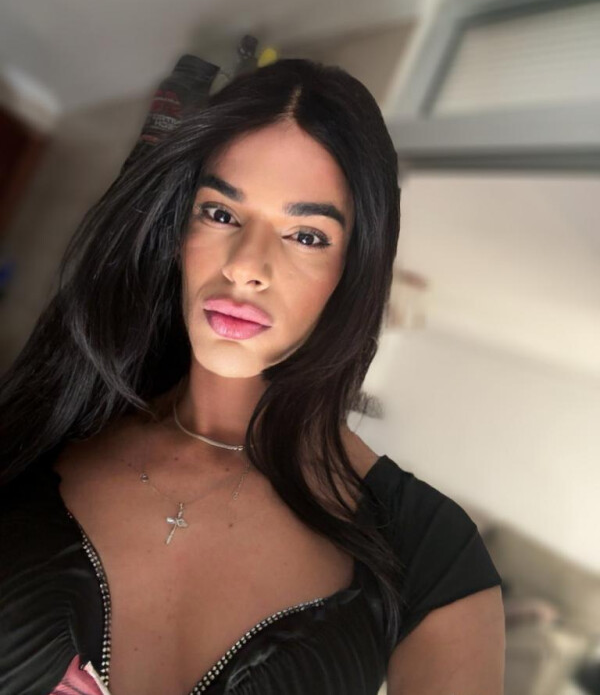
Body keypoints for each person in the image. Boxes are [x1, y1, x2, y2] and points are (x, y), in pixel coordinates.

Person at [0, 58, 505, 695]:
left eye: (306, 235)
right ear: (178, 230)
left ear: (353, 270)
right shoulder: (44, 437)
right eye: (220, 213)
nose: (246, 267)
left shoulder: (433, 557)